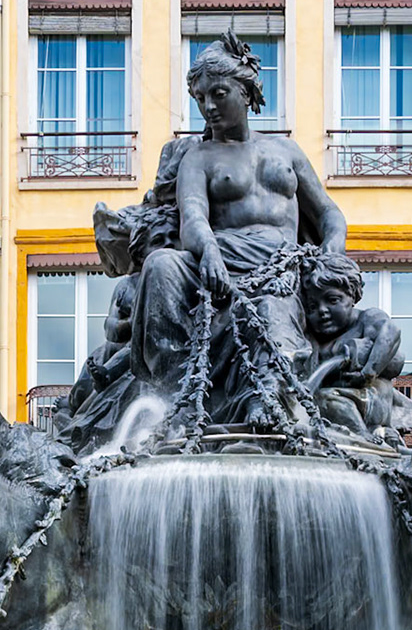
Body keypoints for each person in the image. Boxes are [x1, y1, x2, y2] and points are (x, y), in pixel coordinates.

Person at [120, 34, 347, 423]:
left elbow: (328, 213)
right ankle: (174, 393)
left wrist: (331, 252)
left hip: (279, 266)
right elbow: (193, 217)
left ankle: (265, 397)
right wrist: (207, 252)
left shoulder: (286, 152)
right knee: (160, 265)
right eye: (200, 98)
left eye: (218, 93)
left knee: (272, 309)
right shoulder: (199, 157)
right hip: (218, 261)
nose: (208, 106)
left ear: (246, 92)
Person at [299, 250, 412, 436]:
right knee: (321, 402)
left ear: (352, 296)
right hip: (342, 398)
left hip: (371, 396)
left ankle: (365, 440)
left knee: (325, 400)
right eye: (312, 306)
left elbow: (390, 333)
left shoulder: (366, 318)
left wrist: (368, 372)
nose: (322, 311)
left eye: (332, 300)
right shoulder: (314, 340)